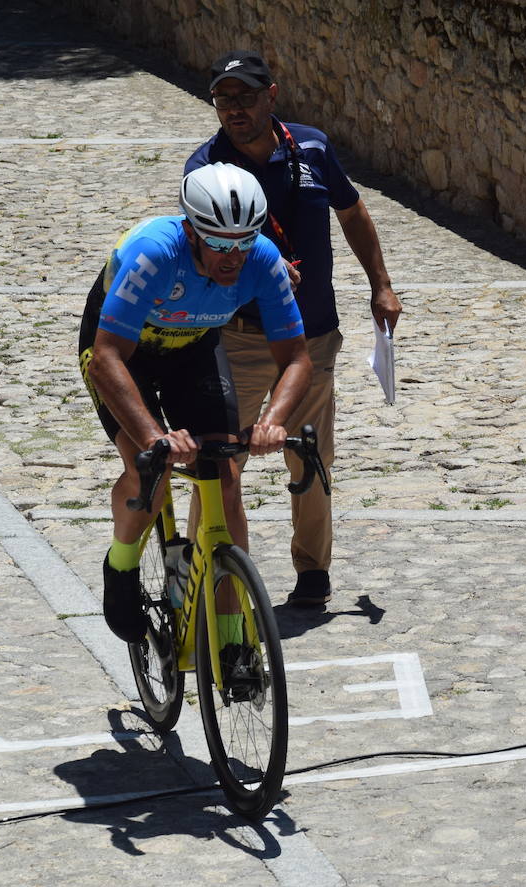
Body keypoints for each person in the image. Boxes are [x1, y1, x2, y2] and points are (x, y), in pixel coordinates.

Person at [186, 50, 403, 608]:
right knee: (218, 458)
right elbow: (203, 246)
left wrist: (380, 283)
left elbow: (352, 212)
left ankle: (312, 572)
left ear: (271, 94)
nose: (234, 109)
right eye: (224, 99)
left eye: (245, 97)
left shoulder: (312, 146)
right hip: (238, 337)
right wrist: (257, 255)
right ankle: (206, 570)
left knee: (310, 456)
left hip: (313, 334)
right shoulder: (208, 168)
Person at [79, 163, 311, 642]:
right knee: (153, 469)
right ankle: (120, 565)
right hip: (124, 354)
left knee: (225, 478)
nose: (234, 256)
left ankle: (230, 637)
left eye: (244, 241)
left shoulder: (263, 260)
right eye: (221, 243)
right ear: (190, 231)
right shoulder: (155, 253)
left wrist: (272, 421)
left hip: (194, 348)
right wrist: (153, 437)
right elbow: (106, 357)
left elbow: (297, 358)